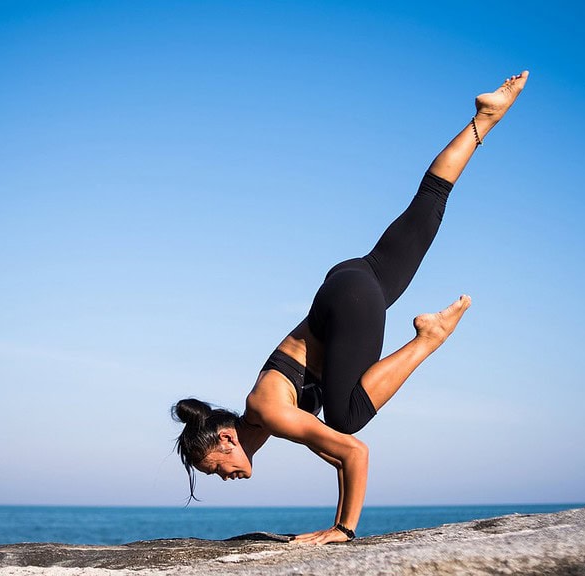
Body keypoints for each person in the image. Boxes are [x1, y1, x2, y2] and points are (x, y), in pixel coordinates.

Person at [172, 71, 529, 545]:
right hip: (350, 283)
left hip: (350, 303)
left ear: (226, 440)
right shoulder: (263, 418)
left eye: (216, 469)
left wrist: (342, 529)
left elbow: (353, 451)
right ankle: (486, 117)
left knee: (346, 418)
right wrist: (333, 454)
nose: (223, 478)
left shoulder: (268, 412)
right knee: (427, 206)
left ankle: (428, 337)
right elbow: (331, 453)